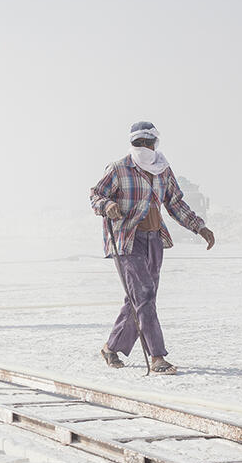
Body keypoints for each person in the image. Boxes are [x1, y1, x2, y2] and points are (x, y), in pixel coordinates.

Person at [89, 122, 215, 374]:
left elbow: (175, 203)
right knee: (144, 295)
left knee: (139, 298)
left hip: (154, 239)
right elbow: (96, 195)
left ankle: (111, 348)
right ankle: (157, 356)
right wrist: (107, 206)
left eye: (147, 143)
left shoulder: (162, 170)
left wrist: (199, 227)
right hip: (127, 240)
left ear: (154, 143)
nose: (143, 147)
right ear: (132, 143)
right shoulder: (118, 168)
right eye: (138, 143)